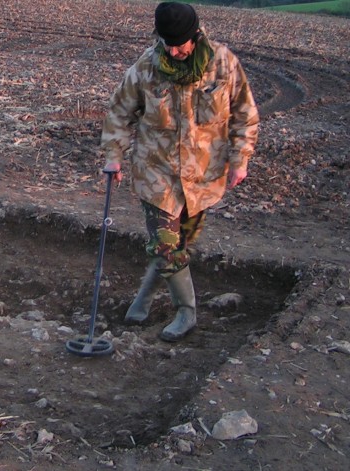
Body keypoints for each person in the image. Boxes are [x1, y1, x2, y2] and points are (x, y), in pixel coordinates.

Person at [99, 2, 259, 342]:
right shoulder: (146, 67)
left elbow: (245, 113)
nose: (174, 50)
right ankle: (187, 312)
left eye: (180, 43)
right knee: (166, 245)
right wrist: (113, 155)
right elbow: (119, 112)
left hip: (203, 176)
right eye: (167, 43)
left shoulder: (223, 64)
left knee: (182, 245)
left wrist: (240, 159)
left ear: (196, 35)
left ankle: (142, 299)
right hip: (157, 174)